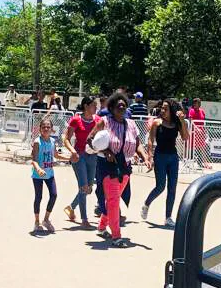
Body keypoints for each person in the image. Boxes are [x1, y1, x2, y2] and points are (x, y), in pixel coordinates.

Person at [89, 92, 146, 246]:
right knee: (113, 200)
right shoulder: (104, 122)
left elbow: (137, 143)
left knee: (113, 200)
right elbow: (90, 140)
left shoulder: (131, 124)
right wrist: (105, 151)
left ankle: (101, 227)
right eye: (118, 106)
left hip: (125, 166)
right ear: (112, 108)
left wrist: (145, 156)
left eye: (124, 106)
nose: (121, 108)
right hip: (107, 166)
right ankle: (116, 236)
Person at [141, 99, 190, 227]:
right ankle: (147, 203)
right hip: (160, 156)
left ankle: (168, 217)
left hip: (173, 157)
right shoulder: (157, 123)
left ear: (171, 110)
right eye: (162, 108)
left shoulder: (176, 123)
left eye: (165, 109)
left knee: (172, 188)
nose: (162, 111)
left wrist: (182, 121)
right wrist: (149, 157)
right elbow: (151, 140)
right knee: (160, 186)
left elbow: (185, 138)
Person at [61, 96, 100, 228]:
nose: (96, 107)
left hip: (93, 156)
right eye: (94, 105)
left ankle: (71, 207)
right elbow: (66, 138)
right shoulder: (76, 120)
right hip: (79, 156)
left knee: (89, 188)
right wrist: (72, 151)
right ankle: (84, 219)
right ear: (86, 106)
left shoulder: (98, 120)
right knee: (83, 187)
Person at [30, 117, 59, 234]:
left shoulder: (52, 141)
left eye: (48, 127)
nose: (46, 129)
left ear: (52, 129)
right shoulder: (37, 142)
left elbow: (56, 155)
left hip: (50, 173)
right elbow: (34, 160)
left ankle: (46, 219)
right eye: (44, 127)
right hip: (38, 175)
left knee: (54, 195)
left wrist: (70, 158)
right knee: (39, 197)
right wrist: (39, 169)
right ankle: (37, 222)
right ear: (40, 129)